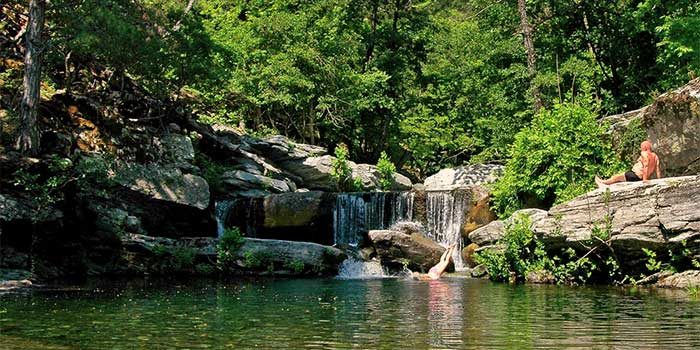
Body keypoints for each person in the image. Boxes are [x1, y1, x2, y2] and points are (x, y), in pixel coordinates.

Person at [595, 140, 662, 187]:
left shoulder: (644, 153)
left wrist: (644, 179)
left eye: (641, 147)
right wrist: (659, 180)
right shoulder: (655, 156)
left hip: (636, 175)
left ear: (645, 147)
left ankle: (603, 182)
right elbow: (657, 169)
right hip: (638, 176)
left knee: (616, 177)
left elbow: (646, 165)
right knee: (620, 179)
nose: (640, 149)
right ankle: (605, 183)